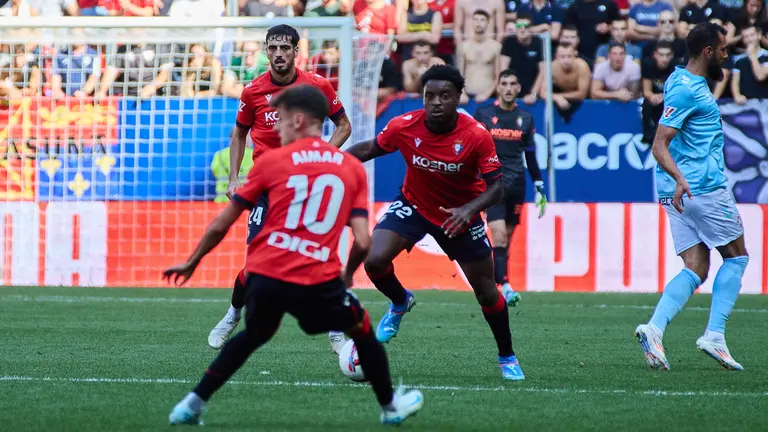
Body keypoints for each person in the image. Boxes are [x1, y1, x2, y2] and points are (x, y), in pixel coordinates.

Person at [164, 85, 424, 426]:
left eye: (282, 121)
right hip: (319, 280)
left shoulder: (271, 162)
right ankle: (391, 408)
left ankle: (190, 405)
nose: (277, 128)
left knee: (253, 335)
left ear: (299, 120)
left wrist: (192, 261)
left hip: (265, 276)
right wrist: (346, 275)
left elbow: (221, 223)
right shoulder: (350, 168)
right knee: (362, 331)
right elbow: (362, 240)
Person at [343, 65, 526, 381]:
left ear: (458, 97)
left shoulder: (476, 135)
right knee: (374, 260)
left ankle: (507, 356)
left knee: (486, 292)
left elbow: (497, 188)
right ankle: (400, 301)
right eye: (430, 96)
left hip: (460, 216)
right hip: (413, 205)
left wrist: (469, 210)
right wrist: (328, 157)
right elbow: (370, 148)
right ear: (422, 98)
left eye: (445, 96)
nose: (436, 102)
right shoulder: (404, 125)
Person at [208, 24, 352, 352]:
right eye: (272, 48)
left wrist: (323, 159)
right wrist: (233, 179)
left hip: (308, 189)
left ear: (296, 52)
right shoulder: (253, 92)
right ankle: (233, 315)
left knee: (322, 257)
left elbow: (344, 125)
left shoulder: (317, 86)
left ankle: (335, 329)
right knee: (257, 263)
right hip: (269, 188)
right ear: (265, 51)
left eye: (284, 48)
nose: (278, 54)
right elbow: (239, 134)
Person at [635, 23, 749, 371]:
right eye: (723, 49)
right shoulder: (691, 91)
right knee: (737, 258)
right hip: (701, 187)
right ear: (707, 52)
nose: (727, 55)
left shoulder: (677, 80)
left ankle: (654, 330)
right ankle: (714, 334)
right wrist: (682, 178)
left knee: (696, 267)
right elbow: (659, 144)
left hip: (676, 191)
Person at [473, 70, 546, 306]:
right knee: (499, 235)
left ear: (518, 88)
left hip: (517, 184)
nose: (507, 88)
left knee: (507, 239)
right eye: (503, 83)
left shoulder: (525, 118)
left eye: (512, 84)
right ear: (498, 87)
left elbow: (531, 155)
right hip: (492, 184)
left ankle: (498, 282)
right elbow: (472, 149)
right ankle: (504, 286)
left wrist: (539, 183)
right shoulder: (484, 114)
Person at [457, 9, 502, 103]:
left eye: (482, 20)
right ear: (471, 22)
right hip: (467, 96)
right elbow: (459, 74)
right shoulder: (463, 46)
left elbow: (498, 76)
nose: (478, 23)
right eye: (475, 19)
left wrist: (487, 94)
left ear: (488, 22)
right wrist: (462, 93)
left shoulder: (496, 46)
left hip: (488, 96)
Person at [500, 13, 545, 104]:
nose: (523, 29)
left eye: (526, 26)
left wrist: (533, 94)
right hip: (512, 91)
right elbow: (504, 70)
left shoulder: (538, 43)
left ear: (531, 28)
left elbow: (543, 71)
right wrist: (507, 92)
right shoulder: (509, 42)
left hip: (533, 91)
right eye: (519, 26)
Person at [541, 43, 590, 122]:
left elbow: (582, 94)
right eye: (562, 57)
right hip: (561, 95)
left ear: (575, 55)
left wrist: (559, 96)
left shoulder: (582, 67)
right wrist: (557, 98)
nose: (566, 60)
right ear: (557, 56)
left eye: (569, 56)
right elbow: (543, 92)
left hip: (580, 102)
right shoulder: (552, 67)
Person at [640, 41, 677, 146]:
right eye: (661, 55)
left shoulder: (676, 67)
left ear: (672, 55)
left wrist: (665, 97)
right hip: (654, 97)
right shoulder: (648, 64)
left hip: (671, 99)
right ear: (655, 55)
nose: (664, 59)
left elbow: (678, 92)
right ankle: (647, 136)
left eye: (667, 55)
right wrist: (653, 96)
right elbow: (646, 90)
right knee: (646, 104)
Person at [730, 25, 768, 103]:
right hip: (746, 103)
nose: (749, 39)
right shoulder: (739, 60)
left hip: (764, 103)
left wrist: (752, 55)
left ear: (759, 36)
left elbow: (760, 76)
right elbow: (735, 81)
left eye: (752, 35)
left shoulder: (766, 56)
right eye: (746, 37)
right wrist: (737, 95)